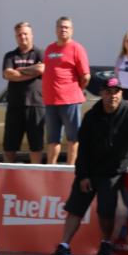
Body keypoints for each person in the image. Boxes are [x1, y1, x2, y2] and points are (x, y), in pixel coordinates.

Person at [51, 73, 128, 255]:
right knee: (75, 208)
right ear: (101, 93)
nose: (112, 96)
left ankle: (105, 243)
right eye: (108, 92)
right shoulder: (91, 116)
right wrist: (83, 175)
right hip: (90, 169)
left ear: (121, 94)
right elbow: (83, 149)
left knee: (106, 211)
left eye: (116, 92)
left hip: (113, 172)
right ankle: (64, 245)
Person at [42, 16, 90, 165]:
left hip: (70, 100)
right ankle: (51, 168)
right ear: (56, 29)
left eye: (66, 27)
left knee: (73, 138)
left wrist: (75, 90)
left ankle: (71, 168)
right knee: (52, 139)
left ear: (71, 30)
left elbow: (85, 76)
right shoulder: (49, 49)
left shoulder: (77, 48)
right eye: (61, 27)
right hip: (50, 101)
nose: (63, 29)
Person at [1, 21, 45, 164]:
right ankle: (8, 177)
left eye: (25, 34)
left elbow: (42, 70)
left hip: (36, 104)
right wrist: (32, 71)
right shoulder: (10, 56)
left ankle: (36, 175)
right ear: (16, 37)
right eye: (19, 35)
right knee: (9, 147)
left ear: (31, 35)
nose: (23, 37)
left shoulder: (40, 53)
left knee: (36, 146)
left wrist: (19, 71)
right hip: (15, 105)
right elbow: (8, 74)